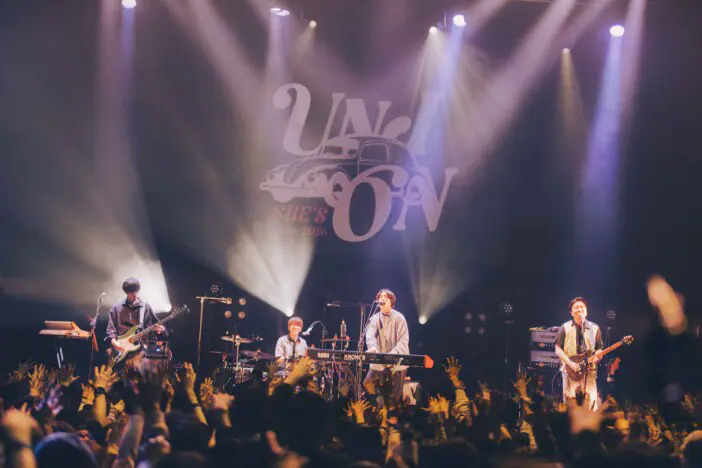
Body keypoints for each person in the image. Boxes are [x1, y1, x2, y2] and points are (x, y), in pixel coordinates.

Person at [554, 297, 604, 408]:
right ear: (571, 312)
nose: (580, 309)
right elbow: (558, 349)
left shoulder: (595, 328)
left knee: (591, 403)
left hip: (589, 370)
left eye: (582, 307)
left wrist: (598, 356)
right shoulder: (565, 327)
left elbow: (599, 348)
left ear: (586, 311)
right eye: (576, 307)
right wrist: (571, 364)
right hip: (570, 370)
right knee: (571, 404)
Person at [364, 289, 409, 404]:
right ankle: (376, 410)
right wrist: (373, 347)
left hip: (397, 362)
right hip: (379, 360)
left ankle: (391, 413)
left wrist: (391, 355)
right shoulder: (374, 318)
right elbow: (369, 336)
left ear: (391, 302)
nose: (382, 298)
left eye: (386, 297)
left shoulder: (400, 318)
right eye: (380, 297)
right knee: (367, 385)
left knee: (394, 396)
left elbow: (403, 340)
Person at [105, 277, 166, 355]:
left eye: (135, 292)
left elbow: (159, 327)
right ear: (126, 292)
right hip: (120, 351)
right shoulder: (116, 308)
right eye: (130, 293)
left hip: (140, 351)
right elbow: (111, 331)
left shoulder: (145, 307)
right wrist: (115, 344)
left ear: (138, 290)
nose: (133, 296)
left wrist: (161, 330)